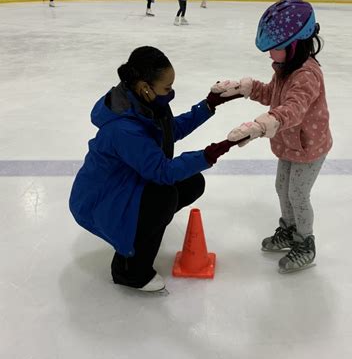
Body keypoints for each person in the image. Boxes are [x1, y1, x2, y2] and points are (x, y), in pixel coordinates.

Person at [69, 46, 241, 293]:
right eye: (167, 88)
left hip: (127, 182)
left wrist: (208, 105)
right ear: (144, 87)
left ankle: (140, 229)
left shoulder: (146, 104)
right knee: (164, 196)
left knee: (191, 184)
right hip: (102, 199)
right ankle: (129, 270)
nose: (171, 93)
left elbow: (171, 131)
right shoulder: (124, 128)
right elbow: (163, 172)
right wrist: (208, 154)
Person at [211, 0, 332, 273]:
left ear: (295, 44)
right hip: (289, 144)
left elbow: (293, 110)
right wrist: (245, 87)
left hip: (309, 146)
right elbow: (272, 96)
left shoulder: (307, 75)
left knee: (298, 194)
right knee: (282, 189)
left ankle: (305, 242)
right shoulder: (285, 69)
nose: (269, 55)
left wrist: (261, 125)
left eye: (274, 48)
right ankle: (289, 230)